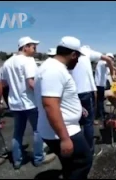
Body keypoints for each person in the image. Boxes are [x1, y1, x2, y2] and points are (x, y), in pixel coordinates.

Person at [34, 36, 93, 179]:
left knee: (70, 164)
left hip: (62, 128)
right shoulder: (54, 70)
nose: (78, 61)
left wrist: (78, 108)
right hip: (64, 131)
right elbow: (50, 105)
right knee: (83, 162)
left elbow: (60, 98)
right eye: (78, 57)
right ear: (73, 55)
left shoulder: (53, 67)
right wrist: (65, 139)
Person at [1, 36, 56, 169]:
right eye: (33, 46)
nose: (35, 49)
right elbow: (31, 83)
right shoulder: (28, 61)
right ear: (25, 47)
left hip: (15, 103)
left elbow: (4, 84)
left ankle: (17, 160)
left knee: (18, 132)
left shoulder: (7, 63)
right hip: (30, 102)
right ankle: (38, 158)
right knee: (37, 130)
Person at [70, 45, 115, 157]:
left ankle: (77, 148)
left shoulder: (69, 55)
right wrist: (113, 73)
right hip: (85, 92)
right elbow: (108, 60)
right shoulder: (87, 52)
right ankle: (89, 151)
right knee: (88, 123)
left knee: (76, 121)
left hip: (72, 93)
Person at [95, 53, 115, 125]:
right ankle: (100, 116)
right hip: (99, 84)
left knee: (101, 100)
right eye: (111, 59)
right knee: (100, 100)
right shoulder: (103, 62)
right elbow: (109, 64)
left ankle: (102, 112)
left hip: (101, 84)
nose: (112, 61)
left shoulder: (103, 63)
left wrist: (115, 69)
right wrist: (113, 74)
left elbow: (110, 66)